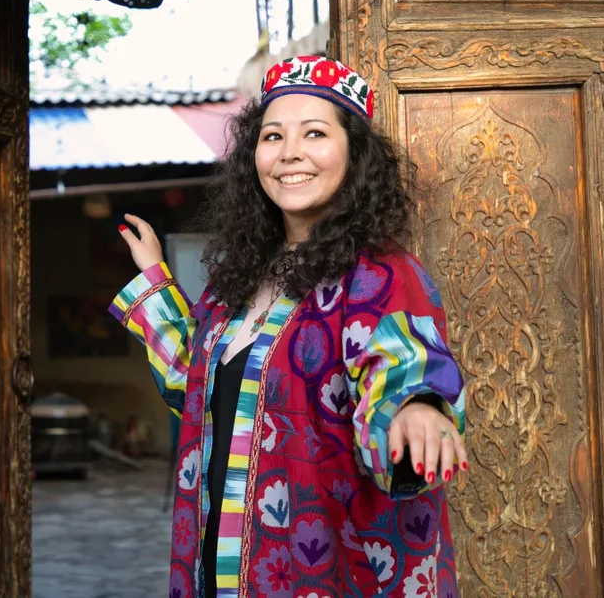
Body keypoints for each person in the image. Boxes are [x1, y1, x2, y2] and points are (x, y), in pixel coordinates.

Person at [111, 56, 468, 598]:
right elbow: (195, 391)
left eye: (315, 133)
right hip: (221, 570)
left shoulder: (379, 275)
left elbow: (401, 361)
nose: (290, 152)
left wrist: (416, 408)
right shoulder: (235, 283)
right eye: (273, 136)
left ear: (356, 156)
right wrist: (156, 280)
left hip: (324, 577)